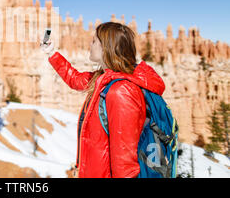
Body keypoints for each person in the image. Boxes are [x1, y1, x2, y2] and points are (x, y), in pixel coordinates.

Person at [41, 22, 166, 178]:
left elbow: (124, 163)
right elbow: (76, 80)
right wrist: (51, 53)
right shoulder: (104, 78)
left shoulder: (121, 91)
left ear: (106, 47)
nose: (90, 44)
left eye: (94, 41)